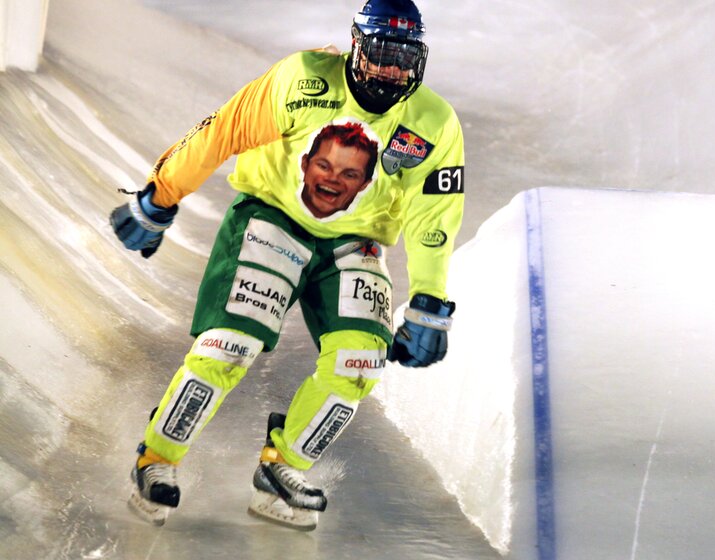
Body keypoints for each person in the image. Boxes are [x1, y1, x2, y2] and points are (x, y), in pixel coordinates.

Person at [109, 0, 464, 531]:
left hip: (356, 242)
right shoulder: (301, 80)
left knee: (360, 360)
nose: (392, 70)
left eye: (405, 57)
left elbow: (435, 215)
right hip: (271, 216)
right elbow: (222, 130)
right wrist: (161, 195)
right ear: (356, 45)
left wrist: (431, 301)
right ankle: (156, 457)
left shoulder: (434, 124)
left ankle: (283, 468)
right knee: (230, 344)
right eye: (383, 53)